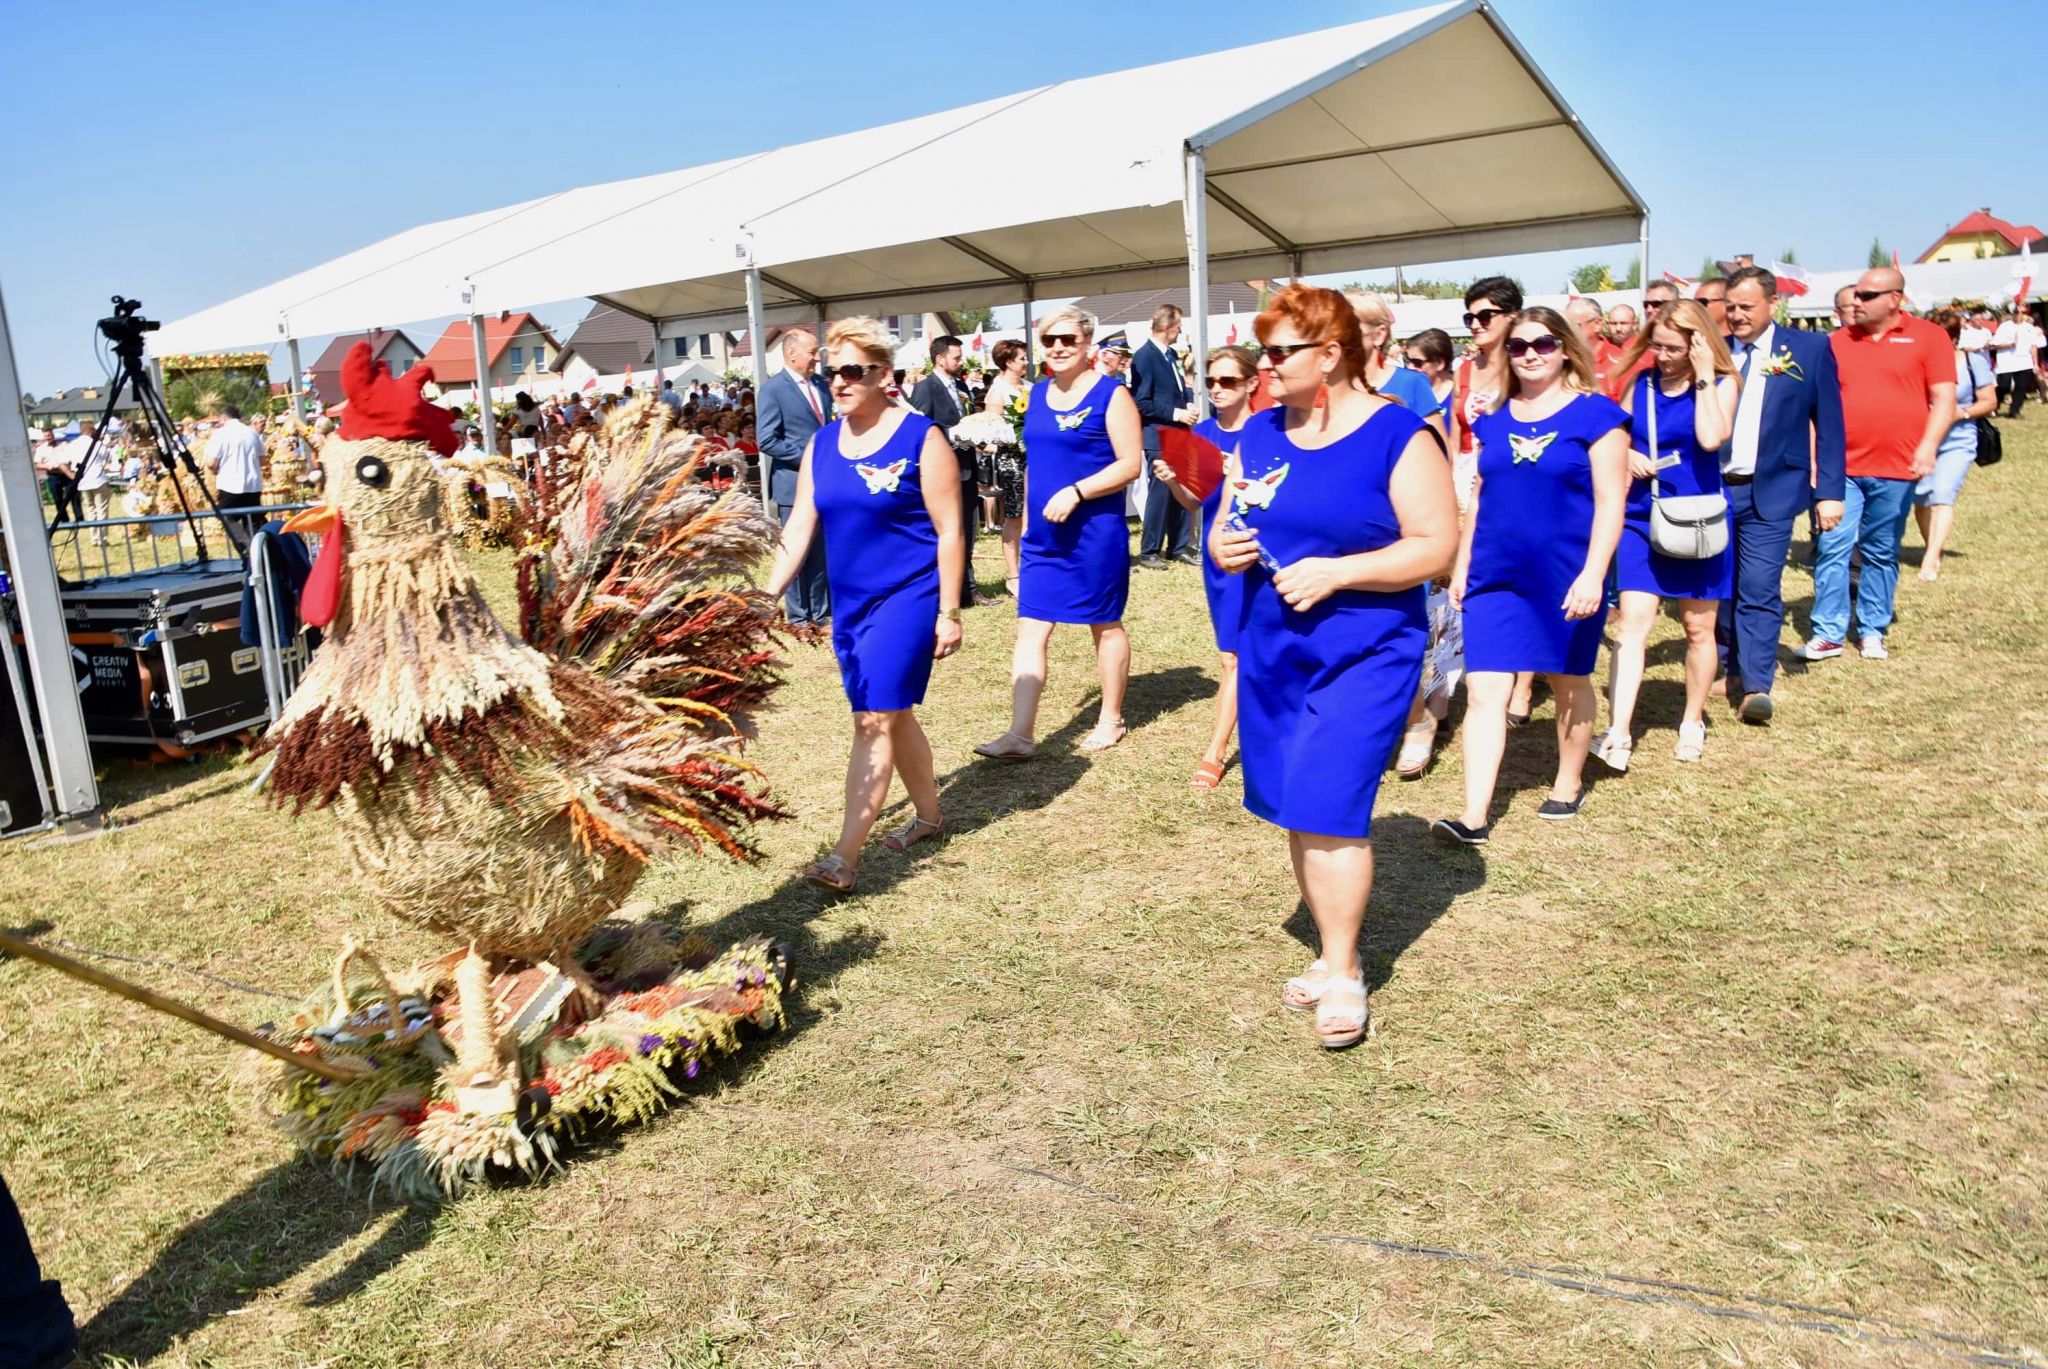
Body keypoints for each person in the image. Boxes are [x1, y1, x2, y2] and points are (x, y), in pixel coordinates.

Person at [1209, 285, 1457, 1047]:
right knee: (1291, 798)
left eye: (1280, 352)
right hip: (1274, 645)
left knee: (1330, 797)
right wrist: (1224, 544)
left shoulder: (1399, 435)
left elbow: (1434, 547)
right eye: (1264, 352)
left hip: (1365, 648)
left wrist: (1335, 572)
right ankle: (1326, 947)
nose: (1264, 367)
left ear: (1332, 353)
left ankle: (1345, 969)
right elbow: (1228, 520)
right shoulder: (1259, 432)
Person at [764, 317, 965, 893]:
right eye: (833, 372)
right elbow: (800, 523)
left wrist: (948, 611)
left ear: (884, 375)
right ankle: (930, 817)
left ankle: (844, 857)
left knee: (873, 718)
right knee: (892, 712)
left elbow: (951, 531)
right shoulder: (821, 443)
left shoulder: (922, 438)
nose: (840, 381)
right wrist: (766, 595)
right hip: (849, 607)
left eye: (854, 371)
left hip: (908, 597)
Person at [1436, 307, 1627, 843]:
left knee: (1569, 681)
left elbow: (1612, 503)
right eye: (1519, 347)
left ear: (1565, 347)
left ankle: (1568, 782)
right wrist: (1463, 562)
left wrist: (1594, 575)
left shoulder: (1599, 416)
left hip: (1567, 575)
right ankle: (1474, 816)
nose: (1530, 354)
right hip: (1496, 575)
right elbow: (1480, 498)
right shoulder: (1492, 419)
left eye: (1542, 343)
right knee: (1484, 690)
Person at [975, 306, 1142, 760]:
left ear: (1088, 343)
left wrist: (1077, 492)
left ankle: (1112, 718)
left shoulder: (1112, 395)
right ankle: (1020, 734)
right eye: (1050, 341)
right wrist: (1027, 521)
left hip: (1094, 533)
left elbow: (1130, 464)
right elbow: (1035, 463)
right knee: (1030, 626)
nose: (1059, 348)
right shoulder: (1039, 395)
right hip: (1043, 537)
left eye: (1068, 339)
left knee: (1103, 622)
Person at [1599, 301, 1739, 768]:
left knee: (1699, 627)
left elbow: (1710, 438)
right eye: (1656, 346)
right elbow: (1614, 435)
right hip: (1644, 515)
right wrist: (1628, 455)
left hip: (1700, 519)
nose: (1662, 356)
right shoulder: (1640, 385)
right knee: (1632, 624)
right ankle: (1618, 732)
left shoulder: (1722, 383)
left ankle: (1692, 719)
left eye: (1674, 348)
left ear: (1698, 344)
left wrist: (1702, 375)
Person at [1802, 267, 1956, 661]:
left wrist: (1928, 447)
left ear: (1895, 299)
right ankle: (1829, 631)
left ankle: (1872, 628)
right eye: (1856, 295)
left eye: (1868, 296)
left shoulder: (1929, 337)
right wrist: (1817, 461)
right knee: (1833, 547)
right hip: (1842, 469)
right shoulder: (1834, 343)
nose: (1857, 301)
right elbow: (1815, 409)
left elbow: (1943, 399)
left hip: (1897, 466)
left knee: (1881, 550)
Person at [1718, 265, 1845, 719]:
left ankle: (1754, 685)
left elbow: (1829, 425)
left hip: (1772, 488)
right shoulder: (1713, 350)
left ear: (1774, 304)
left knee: (1758, 585)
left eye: (1746, 307)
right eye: (1730, 307)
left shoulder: (1809, 350)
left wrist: (1829, 491)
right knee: (1720, 586)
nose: (1736, 316)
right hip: (1714, 489)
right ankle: (1725, 664)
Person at [1151, 343, 1258, 788]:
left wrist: (1243, 476)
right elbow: (1196, 503)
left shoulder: (1272, 431)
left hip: (1266, 556)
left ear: (1253, 383)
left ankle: (1215, 752)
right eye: (1210, 381)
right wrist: (1175, 481)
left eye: (1227, 381)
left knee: (1253, 657)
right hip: (1222, 561)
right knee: (1231, 656)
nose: (1216, 389)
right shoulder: (1202, 437)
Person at [1452, 276, 1539, 726]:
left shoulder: (1528, 365)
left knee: (1519, 577)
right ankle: (1471, 672)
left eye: (1484, 315)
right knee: (1470, 578)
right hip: (1468, 474)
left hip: (1513, 476)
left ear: (1511, 316)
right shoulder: (1464, 370)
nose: (1475, 324)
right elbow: (1454, 433)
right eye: (1469, 316)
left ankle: (1523, 683)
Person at [1911, 309, 1998, 581]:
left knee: (1943, 492)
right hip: (1921, 436)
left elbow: (1989, 401)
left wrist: (1959, 413)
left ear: (1952, 338)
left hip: (1959, 437)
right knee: (1922, 497)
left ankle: (1932, 558)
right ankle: (1932, 545)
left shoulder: (1972, 362)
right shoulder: (1916, 363)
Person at [758, 327, 835, 625]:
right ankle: (799, 615)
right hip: (792, 483)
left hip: (824, 481)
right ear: (791, 354)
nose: (817, 357)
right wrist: (808, 454)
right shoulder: (773, 389)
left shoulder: (820, 384)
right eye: (812, 352)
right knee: (795, 550)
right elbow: (767, 439)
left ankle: (820, 611)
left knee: (819, 551)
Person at [908, 334, 980, 607]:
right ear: (940, 359)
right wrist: (952, 435)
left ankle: (967, 589)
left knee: (968, 528)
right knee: (947, 530)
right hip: (943, 470)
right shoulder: (926, 388)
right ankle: (945, 589)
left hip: (968, 467)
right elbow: (918, 429)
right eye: (956, 357)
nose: (961, 362)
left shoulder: (962, 385)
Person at [1133, 305, 1197, 569]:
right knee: (1160, 494)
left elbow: (1176, 391)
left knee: (1180, 489)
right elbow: (1142, 402)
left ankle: (1178, 546)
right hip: (1158, 435)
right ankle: (1150, 550)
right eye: (1179, 325)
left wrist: (1188, 403)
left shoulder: (1170, 354)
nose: (1180, 331)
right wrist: (1176, 414)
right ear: (1169, 327)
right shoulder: (1144, 357)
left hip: (1178, 434)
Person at [1345, 290, 1445, 443]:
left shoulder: (1411, 383)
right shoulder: (1330, 386)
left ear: (1379, 334)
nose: (1339, 337)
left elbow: (1441, 450)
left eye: (1349, 329)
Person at [981, 338, 1032, 596]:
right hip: (1011, 459)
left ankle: (1033, 568)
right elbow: (992, 432)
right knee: (1015, 515)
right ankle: (1013, 574)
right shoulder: (997, 391)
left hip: (1033, 458)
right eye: (1022, 358)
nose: (1026, 362)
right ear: (1009, 361)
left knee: (1033, 514)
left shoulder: (1030, 387)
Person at [206, 403, 267, 548]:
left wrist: (216, 470)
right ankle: (259, 556)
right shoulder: (252, 433)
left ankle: (246, 545)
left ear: (224, 418)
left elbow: (211, 463)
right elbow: (263, 460)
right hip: (253, 485)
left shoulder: (221, 434)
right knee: (253, 522)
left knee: (226, 517)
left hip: (230, 484)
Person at [1991, 307, 2042, 418]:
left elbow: (2033, 346)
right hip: (2006, 361)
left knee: (2021, 386)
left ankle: (2015, 411)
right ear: (2012, 313)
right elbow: (1994, 344)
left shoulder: (2029, 328)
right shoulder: (2005, 327)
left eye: (2022, 312)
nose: (2019, 314)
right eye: (2017, 312)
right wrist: (2009, 345)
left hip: (2024, 360)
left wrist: (2035, 363)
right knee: (2004, 386)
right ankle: (1995, 405)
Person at [1403, 329, 1456, 434]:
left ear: (1439, 363)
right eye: (1407, 360)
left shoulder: (1460, 396)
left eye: (1417, 362)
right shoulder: (1407, 393)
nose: (1410, 366)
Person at [1566, 296, 1622, 395]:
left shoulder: (1620, 362)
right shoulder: (1562, 360)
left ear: (1598, 324)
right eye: (1566, 326)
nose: (1569, 332)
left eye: (1575, 326)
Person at [37, 423, 83, 527]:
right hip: (53, 475)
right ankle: (64, 520)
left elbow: (72, 456)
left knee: (73, 496)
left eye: (50, 435)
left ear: (53, 434)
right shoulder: (41, 449)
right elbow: (37, 464)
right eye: (46, 436)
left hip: (66, 473)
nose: (49, 437)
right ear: (43, 437)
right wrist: (46, 466)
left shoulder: (63, 444)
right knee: (58, 499)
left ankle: (80, 519)